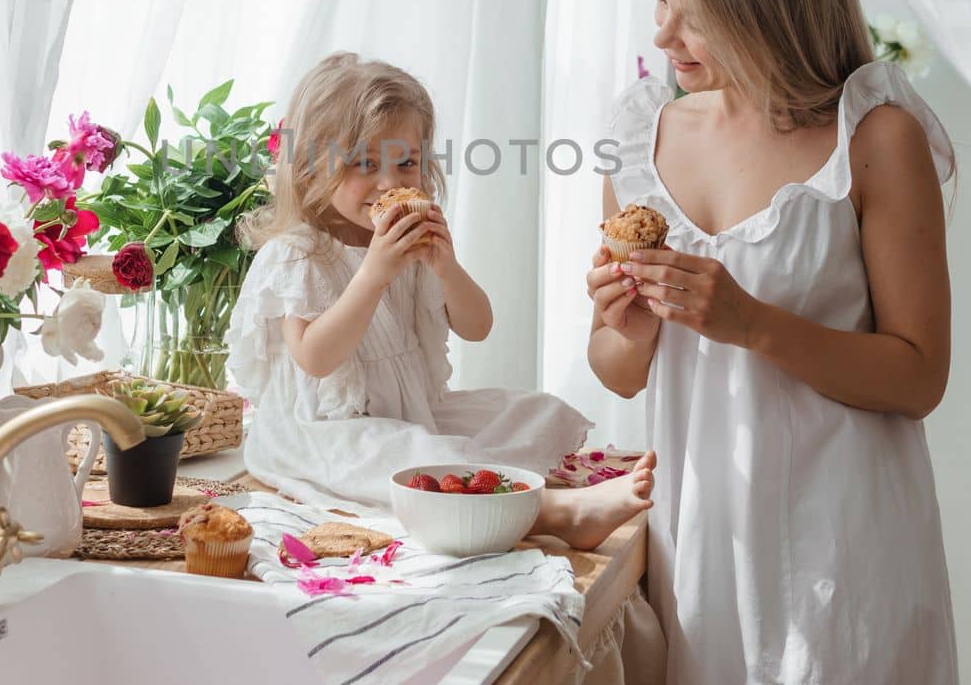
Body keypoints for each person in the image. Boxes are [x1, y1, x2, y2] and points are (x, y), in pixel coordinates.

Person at [587, 0, 959, 683]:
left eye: (696, 17)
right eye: (661, 3)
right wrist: (626, 324)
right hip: (700, 536)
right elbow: (617, 373)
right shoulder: (639, 137)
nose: (664, 36)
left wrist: (750, 323)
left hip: (843, 539)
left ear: (765, 13)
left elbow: (920, 375)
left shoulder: (875, 138)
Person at [230, 51, 653, 548]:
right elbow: (317, 358)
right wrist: (373, 274)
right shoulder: (298, 255)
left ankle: (510, 486)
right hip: (322, 434)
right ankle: (557, 513)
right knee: (410, 455)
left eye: (406, 162)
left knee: (527, 411)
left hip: (412, 412)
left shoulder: (410, 243)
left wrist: (445, 266)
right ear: (308, 171)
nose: (390, 183)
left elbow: (477, 325)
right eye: (365, 164)